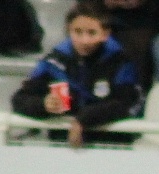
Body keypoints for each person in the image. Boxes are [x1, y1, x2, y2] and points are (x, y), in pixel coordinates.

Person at [10, 1, 144, 149]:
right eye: (78, 32)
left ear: (105, 33)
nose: (84, 40)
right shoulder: (53, 62)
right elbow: (19, 100)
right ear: (69, 30)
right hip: (61, 146)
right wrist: (44, 104)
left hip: (111, 146)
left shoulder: (120, 62)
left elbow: (127, 103)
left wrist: (83, 120)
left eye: (92, 33)